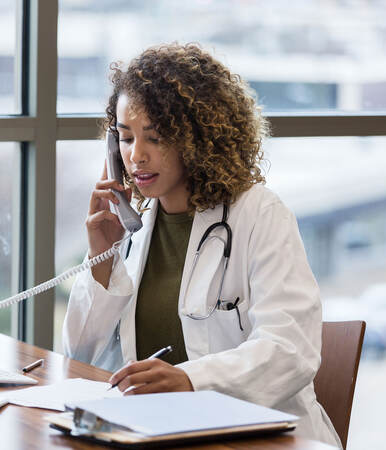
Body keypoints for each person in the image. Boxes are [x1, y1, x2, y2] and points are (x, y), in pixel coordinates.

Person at [62, 43, 341, 447]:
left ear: (198, 138)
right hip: (163, 434)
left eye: (154, 138)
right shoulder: (132, 231)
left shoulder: (259, 214)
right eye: (124, 138)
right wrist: (101, 260)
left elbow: (290, 350)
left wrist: (191, 379)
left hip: (256, 437)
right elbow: (79, 358)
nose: (135, 156)